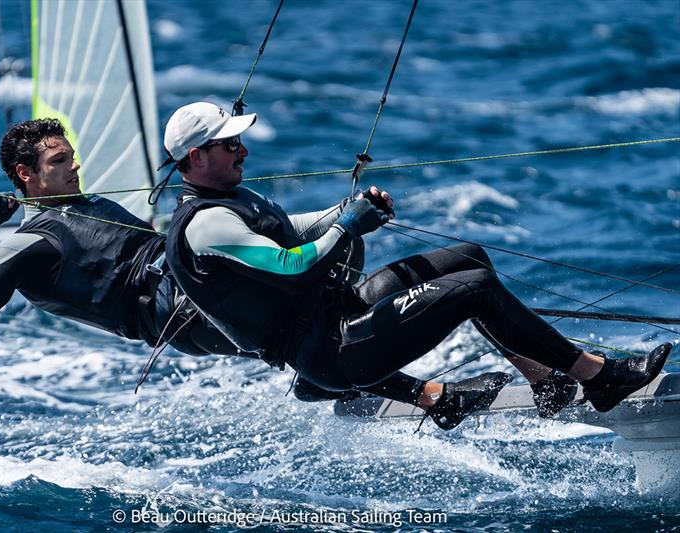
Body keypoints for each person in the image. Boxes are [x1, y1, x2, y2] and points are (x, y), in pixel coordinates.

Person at [161, 101, 672, 430]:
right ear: (197, 157)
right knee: (472, 289)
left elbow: (292, 228)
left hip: (336, 313)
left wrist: (349, 209)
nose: (243, 149)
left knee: (468, 256)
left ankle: (545, 379)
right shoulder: (204, 226)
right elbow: (291, 263)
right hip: (331, 351)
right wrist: (348, 228)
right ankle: (599, 377)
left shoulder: (231, 197)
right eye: (230, 144)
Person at [0, 118, 359, 402]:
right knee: (304, 305)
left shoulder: (88, 203)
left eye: (72, 156)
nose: (75, 165)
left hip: (195, 274)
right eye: (59, 161)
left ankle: (332, 373)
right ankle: (359, 377)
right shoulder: (30, 242)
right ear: (25, 173)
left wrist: (339, 215)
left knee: (342, 241)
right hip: (182, 313)